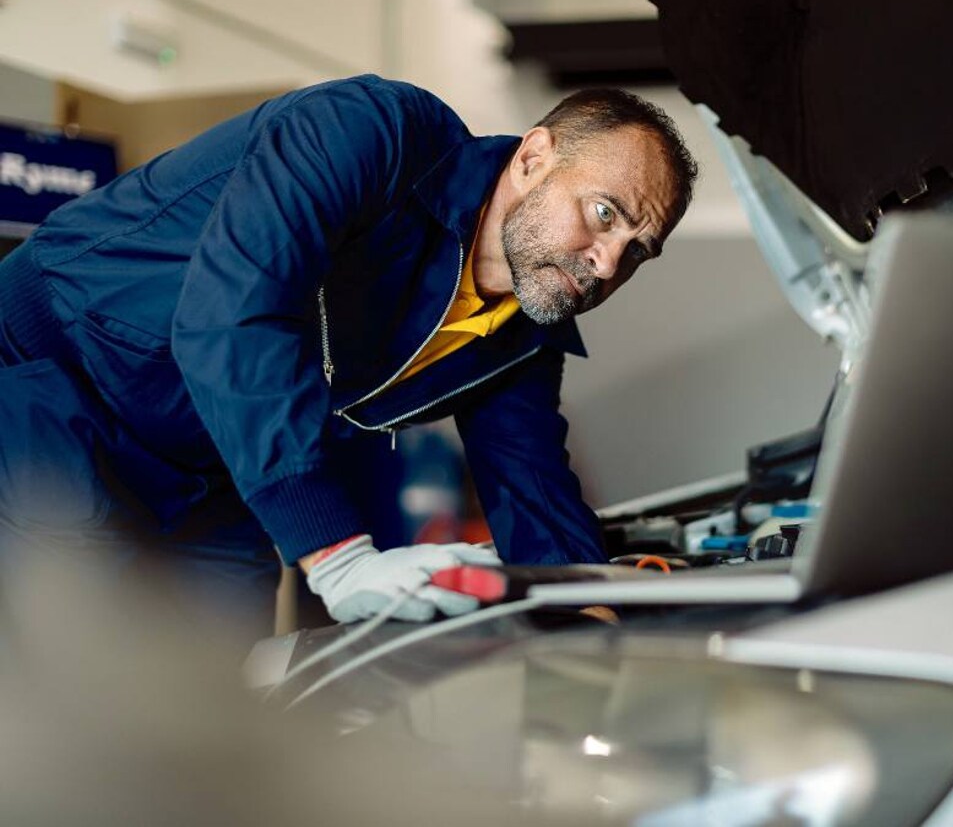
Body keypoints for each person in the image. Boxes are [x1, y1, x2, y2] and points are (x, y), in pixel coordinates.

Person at [0, 75, 697, 631]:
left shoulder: (520, 328)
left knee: (214, 696)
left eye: (637, 248)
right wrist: (338, 556)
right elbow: (232, 313)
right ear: (533, 158)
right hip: (51, 381)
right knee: (81, 678)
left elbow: (531, 481)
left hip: (203, 465)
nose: (607, 264)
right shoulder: (367, 133)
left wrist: (589, 611)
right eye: (604, 214)